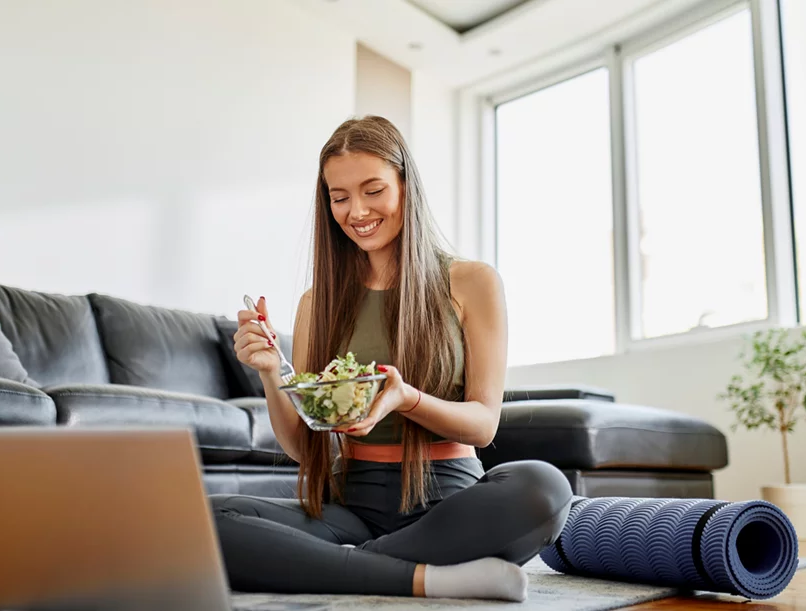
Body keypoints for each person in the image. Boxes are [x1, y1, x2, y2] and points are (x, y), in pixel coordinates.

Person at [217, 115, 572, 602]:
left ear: (406, 186)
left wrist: (406, 399)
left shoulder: (471, 282)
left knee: (545, 488)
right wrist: (271, 375)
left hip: (449, 500)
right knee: (207, 519)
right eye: (339, 198)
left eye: (373, 190)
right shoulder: (314, 303)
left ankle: (339, 565)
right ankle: (428, 577)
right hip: (352, 503)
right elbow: (306, 447)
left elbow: (483, 424)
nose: (356, 211)